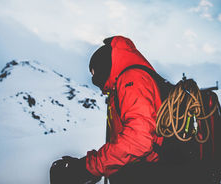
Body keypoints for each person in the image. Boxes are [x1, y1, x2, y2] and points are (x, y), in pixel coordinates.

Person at [50, 35, 164, 184]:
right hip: (143, 167)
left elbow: (138, 140)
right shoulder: (125, 82)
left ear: (104, 68)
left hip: (149, 171)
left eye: (95, 75)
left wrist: (87, 168)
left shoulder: (131, 79)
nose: (98, 84)